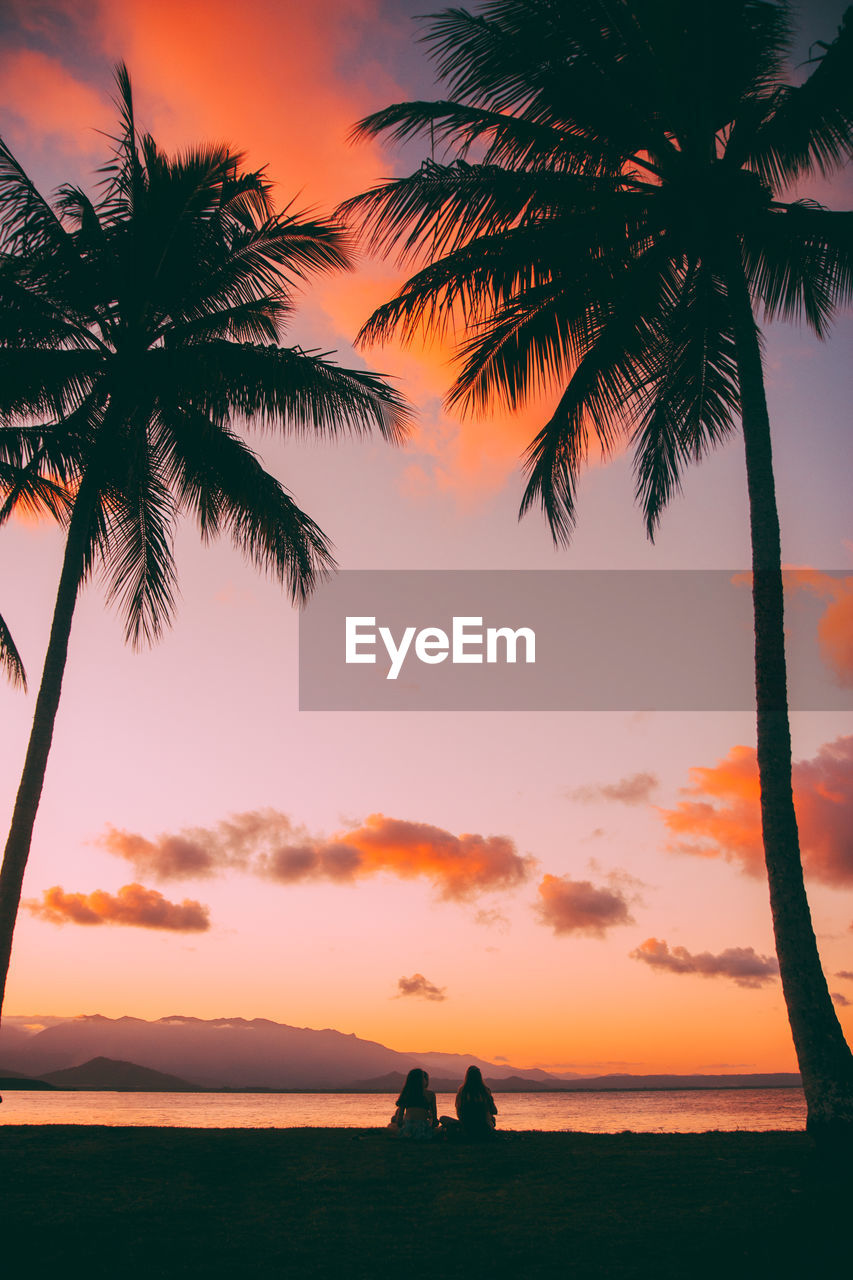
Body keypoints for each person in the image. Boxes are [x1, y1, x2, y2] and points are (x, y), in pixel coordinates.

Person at [390, 1067, 438, 1139]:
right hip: (424, 1131)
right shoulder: (430, 1094)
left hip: (408, 1130)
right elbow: (435, 1120)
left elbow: (399, 1121)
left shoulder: (406, 1094)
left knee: (391, 1125)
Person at [455, 1065, 497, 1139]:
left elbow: (459, 1113)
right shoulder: (485, 1091)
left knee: (443, 1118)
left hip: (467, 1129)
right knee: (493, 1119)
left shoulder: (462, 1092)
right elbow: (494, 1111)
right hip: (485, 1129)